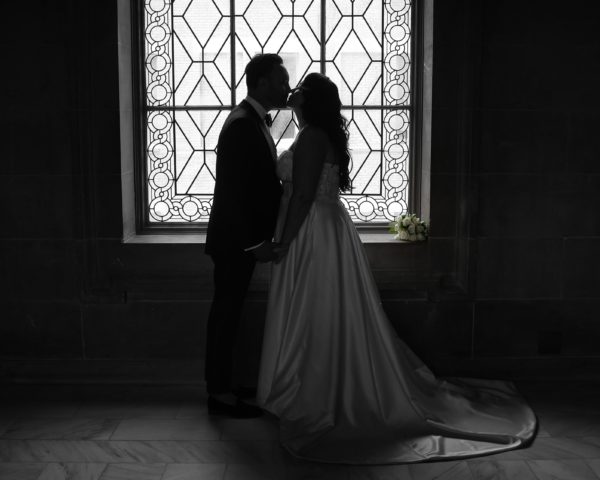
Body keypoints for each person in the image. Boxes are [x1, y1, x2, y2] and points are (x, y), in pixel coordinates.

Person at [257, 72, 537, 463]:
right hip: (324, 227)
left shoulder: (312, 137)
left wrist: (283, 241)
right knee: (321, 307)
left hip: (311, 231)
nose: (293, 92)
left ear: (311, 100)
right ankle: (310, 384)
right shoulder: (316, 134)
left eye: (300, 89)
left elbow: (303, 194)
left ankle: (314, 392)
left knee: (314, 307)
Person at [205, 53, 290, 418]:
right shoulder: (242, 124)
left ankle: (226, 385)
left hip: (239, 239)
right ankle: (219, 395)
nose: (287, 87)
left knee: (231, 314)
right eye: (282, 81)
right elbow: (232, 192)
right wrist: (254, 243)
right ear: (261, 83)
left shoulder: (254, 121)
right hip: (235, 242)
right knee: (225, 315)